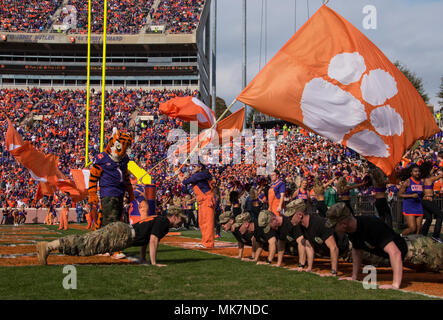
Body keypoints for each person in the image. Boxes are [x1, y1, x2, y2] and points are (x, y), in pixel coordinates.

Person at [326, 202, 443, 290]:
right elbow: (357, 251)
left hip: (420, 249)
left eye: (334, 225)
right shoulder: (351, 231)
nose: (333, 229)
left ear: (344, 223)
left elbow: (395, 252)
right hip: (409, 256)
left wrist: (395, 285)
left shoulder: (371, 225)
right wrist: (354, 277)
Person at [36, 206, 187, 266]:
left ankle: (49, 247)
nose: (181, 222)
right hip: (122, 235)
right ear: (174, 216)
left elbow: (146, 240)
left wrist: (143, 259)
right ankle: (49, 246)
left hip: (123, 232)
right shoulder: (164, 223)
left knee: (88, 242)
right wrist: (153, 263)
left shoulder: (159, 219)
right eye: (180, 219)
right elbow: (153, 241)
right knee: (87, 244)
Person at [286, 200, 347, 276]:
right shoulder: (302, 226)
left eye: (291, 216)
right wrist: (309, 268)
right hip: (327, 251)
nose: (290, 219)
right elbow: (309, 246)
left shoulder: (319, 224)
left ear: (300, 215)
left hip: (347, 249)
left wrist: (333, 272)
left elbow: (334, 247)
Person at [179, 163, 215, 248]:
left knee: (208, 222)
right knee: (202, 222)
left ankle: (208, 243)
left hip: (207, 199)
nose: (192, 168)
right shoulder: (199, 175)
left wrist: (179, 175)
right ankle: (204, 241)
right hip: (202, 201)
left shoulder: (201, 174)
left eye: (194, 166)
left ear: (200, 167)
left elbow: (185, 181)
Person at [419, 162, 443, 243]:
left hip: (423, 201)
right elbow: (440, 176)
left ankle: (423, 234)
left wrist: (433, 169)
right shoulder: (430, 179)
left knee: (429, 218)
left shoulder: (421, 180)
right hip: (428, 200)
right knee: (440, 215)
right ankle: (435, 235)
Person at [397, 164, 424, 236]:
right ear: (411, 173)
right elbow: (399, 194)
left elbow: (422, 193)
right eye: (415, 171)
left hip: (418, 206)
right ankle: (399, 237)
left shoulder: (421, 182)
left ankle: (415, 245)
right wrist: (411, 195)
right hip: (409, 207)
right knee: (412, 228)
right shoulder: (407, 181)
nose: (417, 173)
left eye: (418, 171)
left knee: (418, 229)